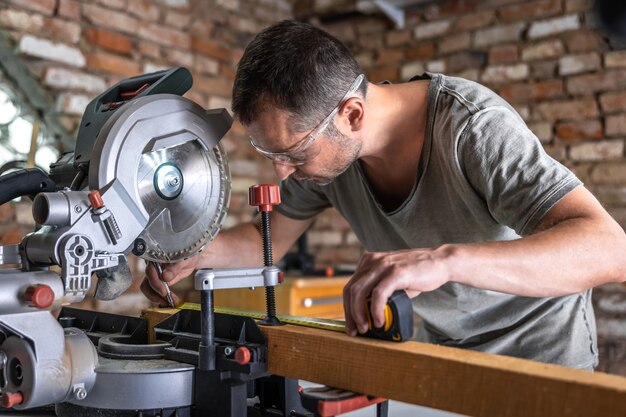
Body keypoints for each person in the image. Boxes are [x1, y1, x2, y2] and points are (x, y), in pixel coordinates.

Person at [142, 20, 626, 369]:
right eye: (269, 152)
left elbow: (610, 248)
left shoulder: (472, 129)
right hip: (444, 357)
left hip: (540, 360)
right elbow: (265, 242)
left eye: (291, 152)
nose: (281, 170)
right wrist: (191, 253)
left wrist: (445, 260)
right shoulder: (332, 162)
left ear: (351, 114)